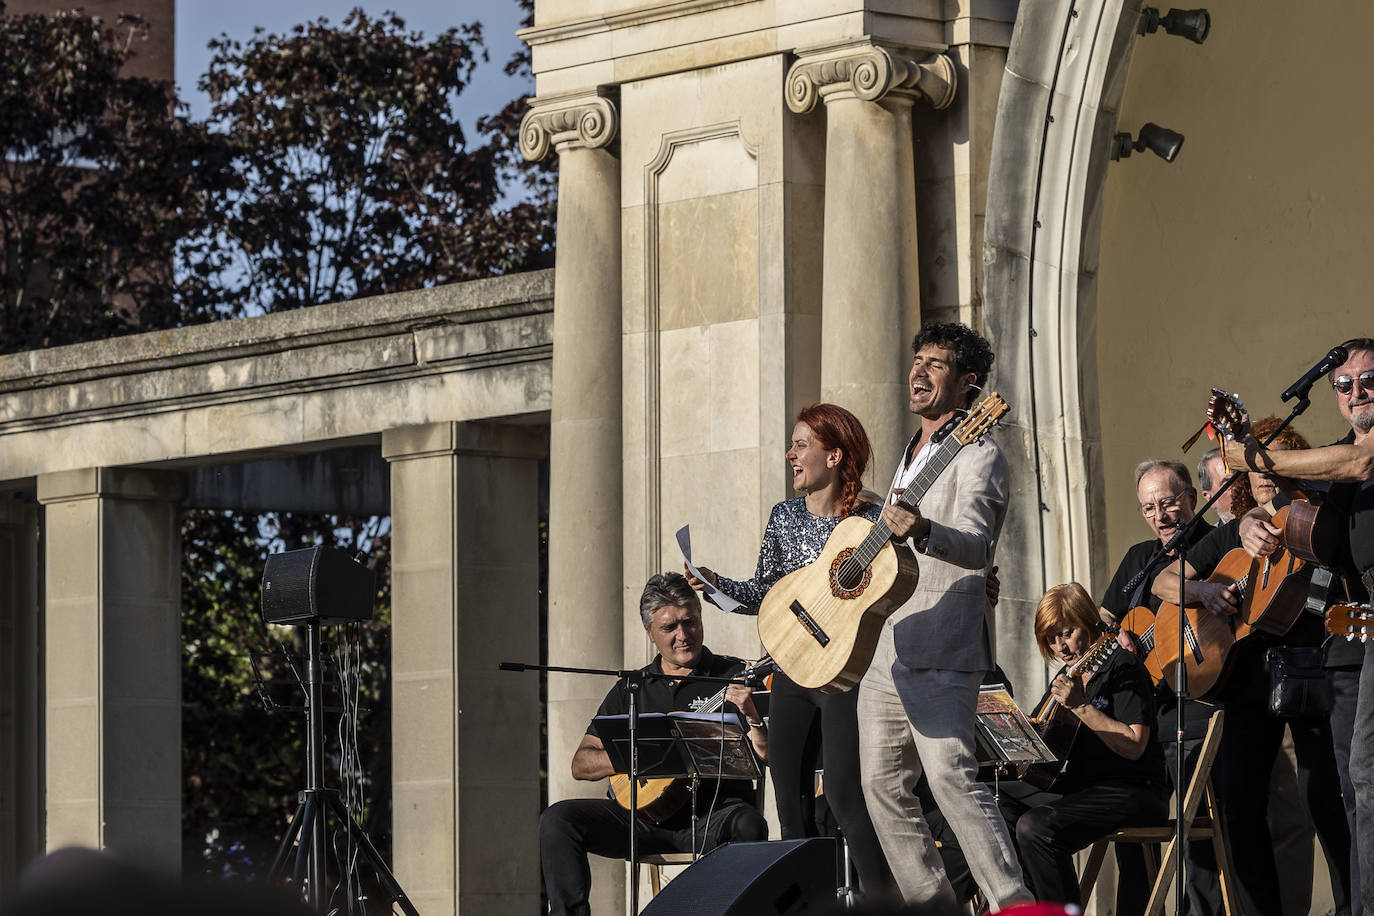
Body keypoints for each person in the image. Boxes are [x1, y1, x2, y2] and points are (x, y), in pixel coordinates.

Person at [685, 403, 896, 897]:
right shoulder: (783, 517)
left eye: (801, 444)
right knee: (789, 802)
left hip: (848, 672)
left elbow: (895, 587)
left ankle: (887, 902)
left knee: (845, 795)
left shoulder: (871, 520)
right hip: (793, 673)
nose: (790, 454)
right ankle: (807, 905)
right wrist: (718, 586)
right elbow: (768, 595)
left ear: (834, 455)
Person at [857, 321, 1031, 908]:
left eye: (935, 363)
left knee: (953, 779)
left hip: (944, 645)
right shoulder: (910, 455)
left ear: (968, 385)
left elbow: (980, 547)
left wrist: (925, 529)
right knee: (880, 785)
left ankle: (1013, 902)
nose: (919, 371)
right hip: (887, 646)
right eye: (917, 360)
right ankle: (933, 905)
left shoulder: (980, 455)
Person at [1156, 417, 1353, 916]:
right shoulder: (1235, 531)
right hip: (1246, 681)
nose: (1263, 473)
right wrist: (1203, 590)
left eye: (1273, 461)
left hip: (1311, 670)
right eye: (1254, 465)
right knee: (1237, 803)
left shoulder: (1315, 512)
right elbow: (1163, 581)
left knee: (1325, 798)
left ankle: (1354, 904)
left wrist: (1281, 511)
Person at [1222, 340, 1374, 914]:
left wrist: (1256, 459)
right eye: (1344, 384)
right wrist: (1253, 520)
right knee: (1351, 791)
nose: (1357, 392)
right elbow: (1295, 506)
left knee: (1365, 774)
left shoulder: (1357, 455)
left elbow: (1358, 462)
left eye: (1369, 380)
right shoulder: (1336, 457)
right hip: (1352, 635)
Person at [538, 573, 769, 916]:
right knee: (559, 819)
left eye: (690, 622)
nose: (683, 635)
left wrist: (751, 715)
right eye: (669, 627)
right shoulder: (632, 689)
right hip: (640, 819)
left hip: (711, 817)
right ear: (649, 632)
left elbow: (767, 756)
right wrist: (641, 756)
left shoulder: (735, 675)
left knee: (751, 825)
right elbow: (581, 764)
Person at [1098, 459, 1220, 916]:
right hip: (1140, 719)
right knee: (1134, 833)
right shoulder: (1137, 559)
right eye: (1149, 508)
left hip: (1194, 704)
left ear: (1192, 496)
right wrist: (1116, 638)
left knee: (1197, 835)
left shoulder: (1214, 544)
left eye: (1168, 503)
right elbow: (1104, 621)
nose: (1161, 517)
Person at [999, 583, 1169, 906]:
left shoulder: (1122, 665)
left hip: (1133, 789)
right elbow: (1043, 738)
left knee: (1035, 827)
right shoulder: (1067, 677)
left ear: (1088, 624)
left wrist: (1080, 706)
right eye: (1051, 638)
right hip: (1084, 788)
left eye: (1067, 633)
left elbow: (1135, 744)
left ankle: (1061, 913)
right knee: (999, 806)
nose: (1060, 646)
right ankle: (1036, 906)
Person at [1197, 448, 1237, 523]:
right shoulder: (1215, 534)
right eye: (1229, 483)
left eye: (1242, 478)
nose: (1240, 487)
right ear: (1210, 499)